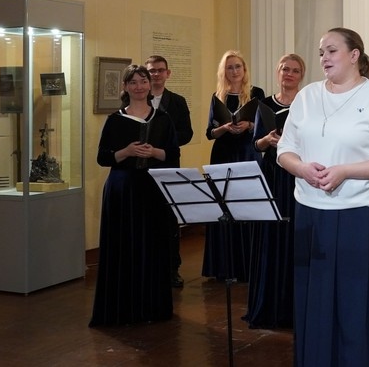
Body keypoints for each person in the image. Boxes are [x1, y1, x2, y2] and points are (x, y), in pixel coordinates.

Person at [276, 27, 369, 367]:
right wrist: (301, 168)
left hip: (364, 215)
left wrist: (345, 171)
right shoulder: (307, 97)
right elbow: (284, 149)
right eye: (321, 52)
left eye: (332, 50)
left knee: (360, 300)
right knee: (318, 300)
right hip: (312, 213)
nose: (324, 57)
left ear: (354, 56)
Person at [90, 64, 180, 327]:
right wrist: (127, 152)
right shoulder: (115, 120)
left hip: (153, 190)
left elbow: (173, 155)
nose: (139, 86)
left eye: (143, 81)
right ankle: (122, 308)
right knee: (123, 247)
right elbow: (103, 158)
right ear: (125, 87)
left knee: (152, 246)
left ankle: (152, 307)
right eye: (133, 82)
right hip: (122, 191)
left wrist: (154, 152)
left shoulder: (163, 119)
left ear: (150, 85)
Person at [244, 53, 305, 329]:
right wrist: (266, 141)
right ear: (277, 72)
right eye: (284, 69)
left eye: (294, 70)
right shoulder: (264, 105)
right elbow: (254, 144)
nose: (289, 74)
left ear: (301, 75)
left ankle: (296, 306)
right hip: (271, 176)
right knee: (270, 236)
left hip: (298, 176)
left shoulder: (307, 103)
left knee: (295, 236)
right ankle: (268, 304)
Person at [202, 50, 265, 282]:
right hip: (223, 154)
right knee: (224, 209)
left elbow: (263, 127)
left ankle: (248, 266)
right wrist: (224, 128)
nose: (234, 71)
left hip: (247, 153)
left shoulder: (256, 93)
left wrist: (248, 125)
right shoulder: (217, 96)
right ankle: (224, 267)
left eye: (238, 66)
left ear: (244, 69)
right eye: (230, 67)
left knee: (247, 207)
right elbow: (210, 132)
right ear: (224, 71)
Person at [145, 55, 193, 288]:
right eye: (151, 71)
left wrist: (162, 143)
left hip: (168, 164)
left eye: (160, 70)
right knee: (146, 218)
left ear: (168, 73)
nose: (156, 74)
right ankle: (146, 267)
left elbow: (187, 133)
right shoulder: (137, 98)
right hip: (142, 167)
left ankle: (172, 268)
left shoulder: (177, 101)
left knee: (169, 219)